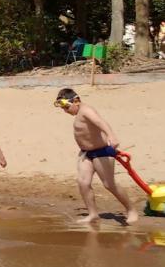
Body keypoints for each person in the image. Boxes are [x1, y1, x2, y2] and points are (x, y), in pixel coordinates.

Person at [54, 88, 139, 224]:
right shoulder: (78, 113)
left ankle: (131, 210)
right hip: (86, 154)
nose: (65, 111)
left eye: (66, 107)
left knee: (109, 184)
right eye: (63, 108)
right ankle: (93, 214)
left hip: (102, 152)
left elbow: (100, 122)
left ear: (76, 101)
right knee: (83, 183)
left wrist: (112, 136)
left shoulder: (86, 110)